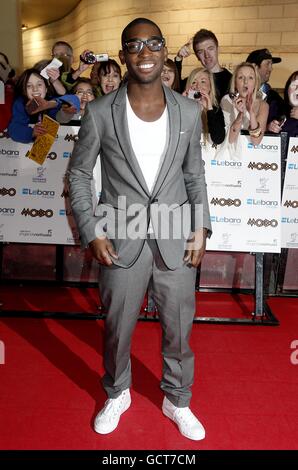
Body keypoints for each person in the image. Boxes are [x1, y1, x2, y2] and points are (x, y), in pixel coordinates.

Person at [68, 17, 211, 441]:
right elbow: (78, 175)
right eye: (134, 45)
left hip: (176, 233)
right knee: (117, 326)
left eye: (153, 44)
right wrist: (92, 229)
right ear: (123, 54)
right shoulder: (99, 113)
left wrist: (201, 226)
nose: (144, 53)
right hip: (118, 234)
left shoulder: (188, 110)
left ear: (165, 49)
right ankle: (117, 392)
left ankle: (178, 399)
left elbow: (194, 175)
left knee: (179, 327)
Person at [8, 68, 80, 143]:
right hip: (26, 150)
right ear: (24, 90)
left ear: (46, 89)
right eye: (29, 86)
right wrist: (32, 133)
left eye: (39, 84)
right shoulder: (20, 104)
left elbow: (73, 100)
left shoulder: (52, 99)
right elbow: (14, 128)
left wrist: (63, 110)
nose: (35, 89)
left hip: (58, 146)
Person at [175, 29, 232, 102]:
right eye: (201, 52)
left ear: (218, 49)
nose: (206, 55)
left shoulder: (231, 81)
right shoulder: (194, 80)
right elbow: (175, 87)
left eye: (210, 49)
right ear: (197, 56)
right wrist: (179, 58)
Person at [220, 62, 269, 147]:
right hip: (228, 156)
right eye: (241, 77)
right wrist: (240, 114)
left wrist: (251, 114)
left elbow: (256, 141)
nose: (245, 82)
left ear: (255, 83)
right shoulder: (226, 101)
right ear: (235, 83)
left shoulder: (263, 105)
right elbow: (230, 140)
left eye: (250, 78)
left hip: (252, 157)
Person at [246, 48, 285, 131]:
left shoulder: (274, 97)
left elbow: (284, 119)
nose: (271, 69)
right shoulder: (236, 94)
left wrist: (269, 127)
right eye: (267, 64)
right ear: (254, 66)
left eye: (271, 65)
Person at [184, 67, 225, 145]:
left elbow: (218, 139)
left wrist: (209, 109)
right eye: (194, 82)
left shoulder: (215, 110)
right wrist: (182, 105)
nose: (198, 86)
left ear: (210, 86)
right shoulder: (181, 108)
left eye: (203, 81)